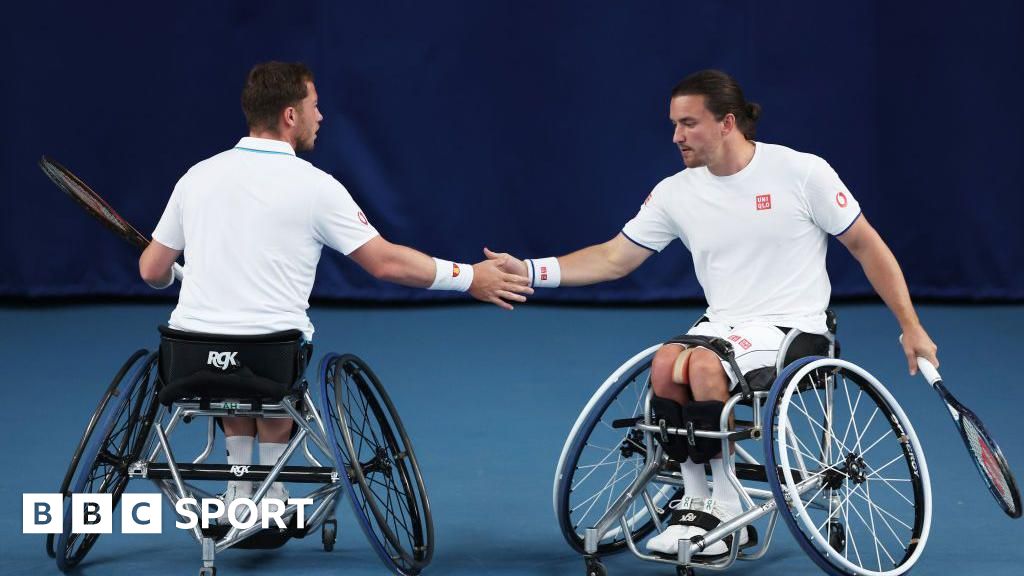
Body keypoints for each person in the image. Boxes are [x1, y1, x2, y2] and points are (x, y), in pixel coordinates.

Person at [485, 69, 938, 556]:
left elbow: (868, 247)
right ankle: (697, 500)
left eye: (688, 124)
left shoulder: (802, 173)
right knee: (664, 362)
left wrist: (910, 326)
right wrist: (531, 270)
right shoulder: (676, 192)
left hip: (795, 328)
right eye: (674, 124)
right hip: (722, 323)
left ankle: (724, 505)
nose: (676, 136)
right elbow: (614, 258)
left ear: (727, 123)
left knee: (702, 364)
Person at [138, 61, 533, 515]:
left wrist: (171, 275)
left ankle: (240, 491)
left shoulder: (197, 176)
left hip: (187, 358)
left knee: (228, 360)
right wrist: (469, 278)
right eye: (315, 106)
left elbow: (152, 270)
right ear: (290, 115)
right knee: (262, 368)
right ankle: (271, 489)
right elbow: (385, 263)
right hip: (270, 358)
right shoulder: (316, 186)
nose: (320, 117)